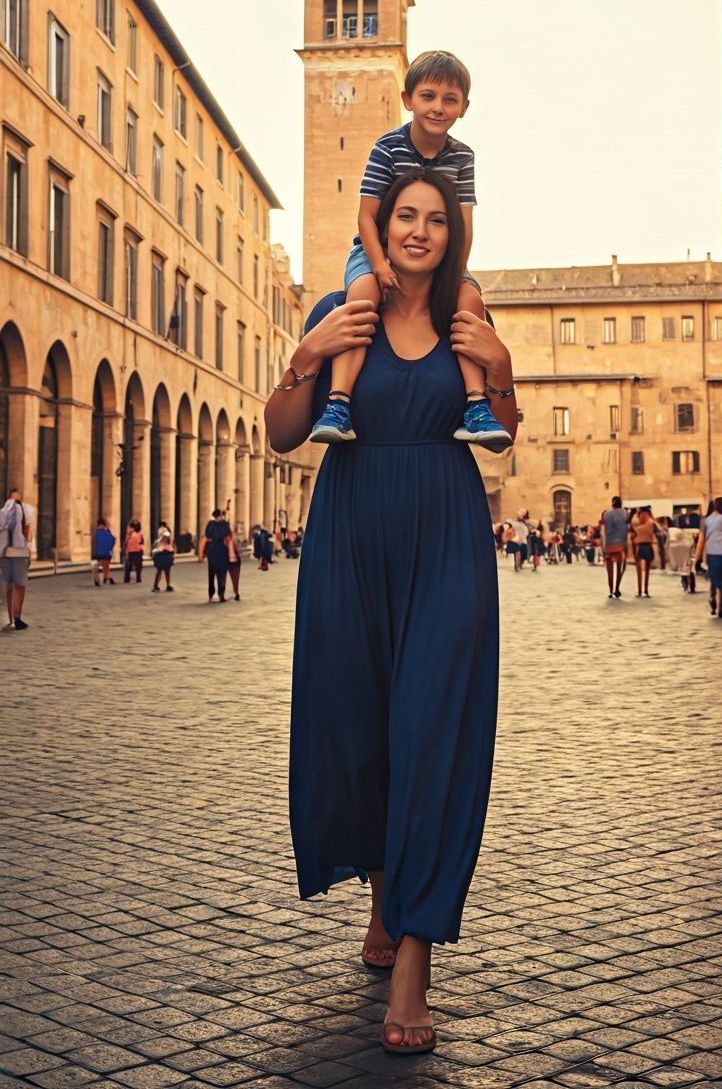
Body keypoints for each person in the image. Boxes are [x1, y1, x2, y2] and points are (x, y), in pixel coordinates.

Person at [265, 171, 516, 1057]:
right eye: (404, 215)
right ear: (381, 223)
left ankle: (413, 963)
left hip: (447, 540)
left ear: (455, 233)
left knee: (432, 734)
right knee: (360, 731)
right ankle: (382, 897)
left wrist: (505, 369)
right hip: (351, 537)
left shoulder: (468, 317)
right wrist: (304, 354)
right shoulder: (344, 309)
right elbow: (283, 434)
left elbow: (503, 429)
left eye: (435, 220)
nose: (418, 231)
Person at [309, 50, 512, 453]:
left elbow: (463, 223)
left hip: (439, 256)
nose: (438, 107)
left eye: (450, 99)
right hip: (373, 250)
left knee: (469, 299)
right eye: (428, 96)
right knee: (361, 296)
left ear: (464, 108)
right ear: (408, 100)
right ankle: (338, 403)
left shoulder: (463, 156)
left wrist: (456, 271)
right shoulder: (387, 147)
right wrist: (381, 265)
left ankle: (476, 406)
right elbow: (366, 218)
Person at [695, 496, 722, 618]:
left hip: (712, 554)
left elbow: (701, 540)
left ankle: (713, 598)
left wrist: (697, 557)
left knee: (714, 579)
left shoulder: (707, 520)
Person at [0, 488, 35, 630]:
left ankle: (12, 618)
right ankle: (16, 617)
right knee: (19, 586)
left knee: (9, 586)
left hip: (6, 554)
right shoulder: (26, 512)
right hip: (19, 554)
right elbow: (29, 536)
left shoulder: (2, 513)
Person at [629, 506, 662, 597]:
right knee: (645, 570)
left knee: (640, 570)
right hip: (645, 545)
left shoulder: (640, 521)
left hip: (641, 545)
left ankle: (641, 590)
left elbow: (634, 530)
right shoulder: (651, 521)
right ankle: (644, 590)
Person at [200, 508, 231, 601]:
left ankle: (211, 593)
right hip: (222, 550)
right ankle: (221, 593)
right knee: (222, 573)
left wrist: (202, 553)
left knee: (212, 572)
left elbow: (207, 536)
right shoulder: (225, 524)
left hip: (212, 550)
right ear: (221, 515)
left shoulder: (210, 524)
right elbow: (228, 536)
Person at [601, 496, 629, 599]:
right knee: (620, 568)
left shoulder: (606, 513)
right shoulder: (625, 513)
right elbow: (626, 527)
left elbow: (604, 528)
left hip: (608, 544)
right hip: (621, 543)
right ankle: (617, 588)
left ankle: (610, 590)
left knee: (609, 569)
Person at [151, 521, 175, 592]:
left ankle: (157, 585)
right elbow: (167, 538)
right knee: (165, 570)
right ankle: (165, 585)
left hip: (163, 551)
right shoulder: (164, 530)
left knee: (160, 570)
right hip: (165, 552)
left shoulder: (161, 531)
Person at [93, 517, 116, 585]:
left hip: (101, 551)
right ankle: (107, 577)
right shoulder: (105, 532)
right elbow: (111, 541)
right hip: (105, 551)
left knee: (105, 565)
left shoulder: (99, 532)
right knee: (106, 565)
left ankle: (106, 577)